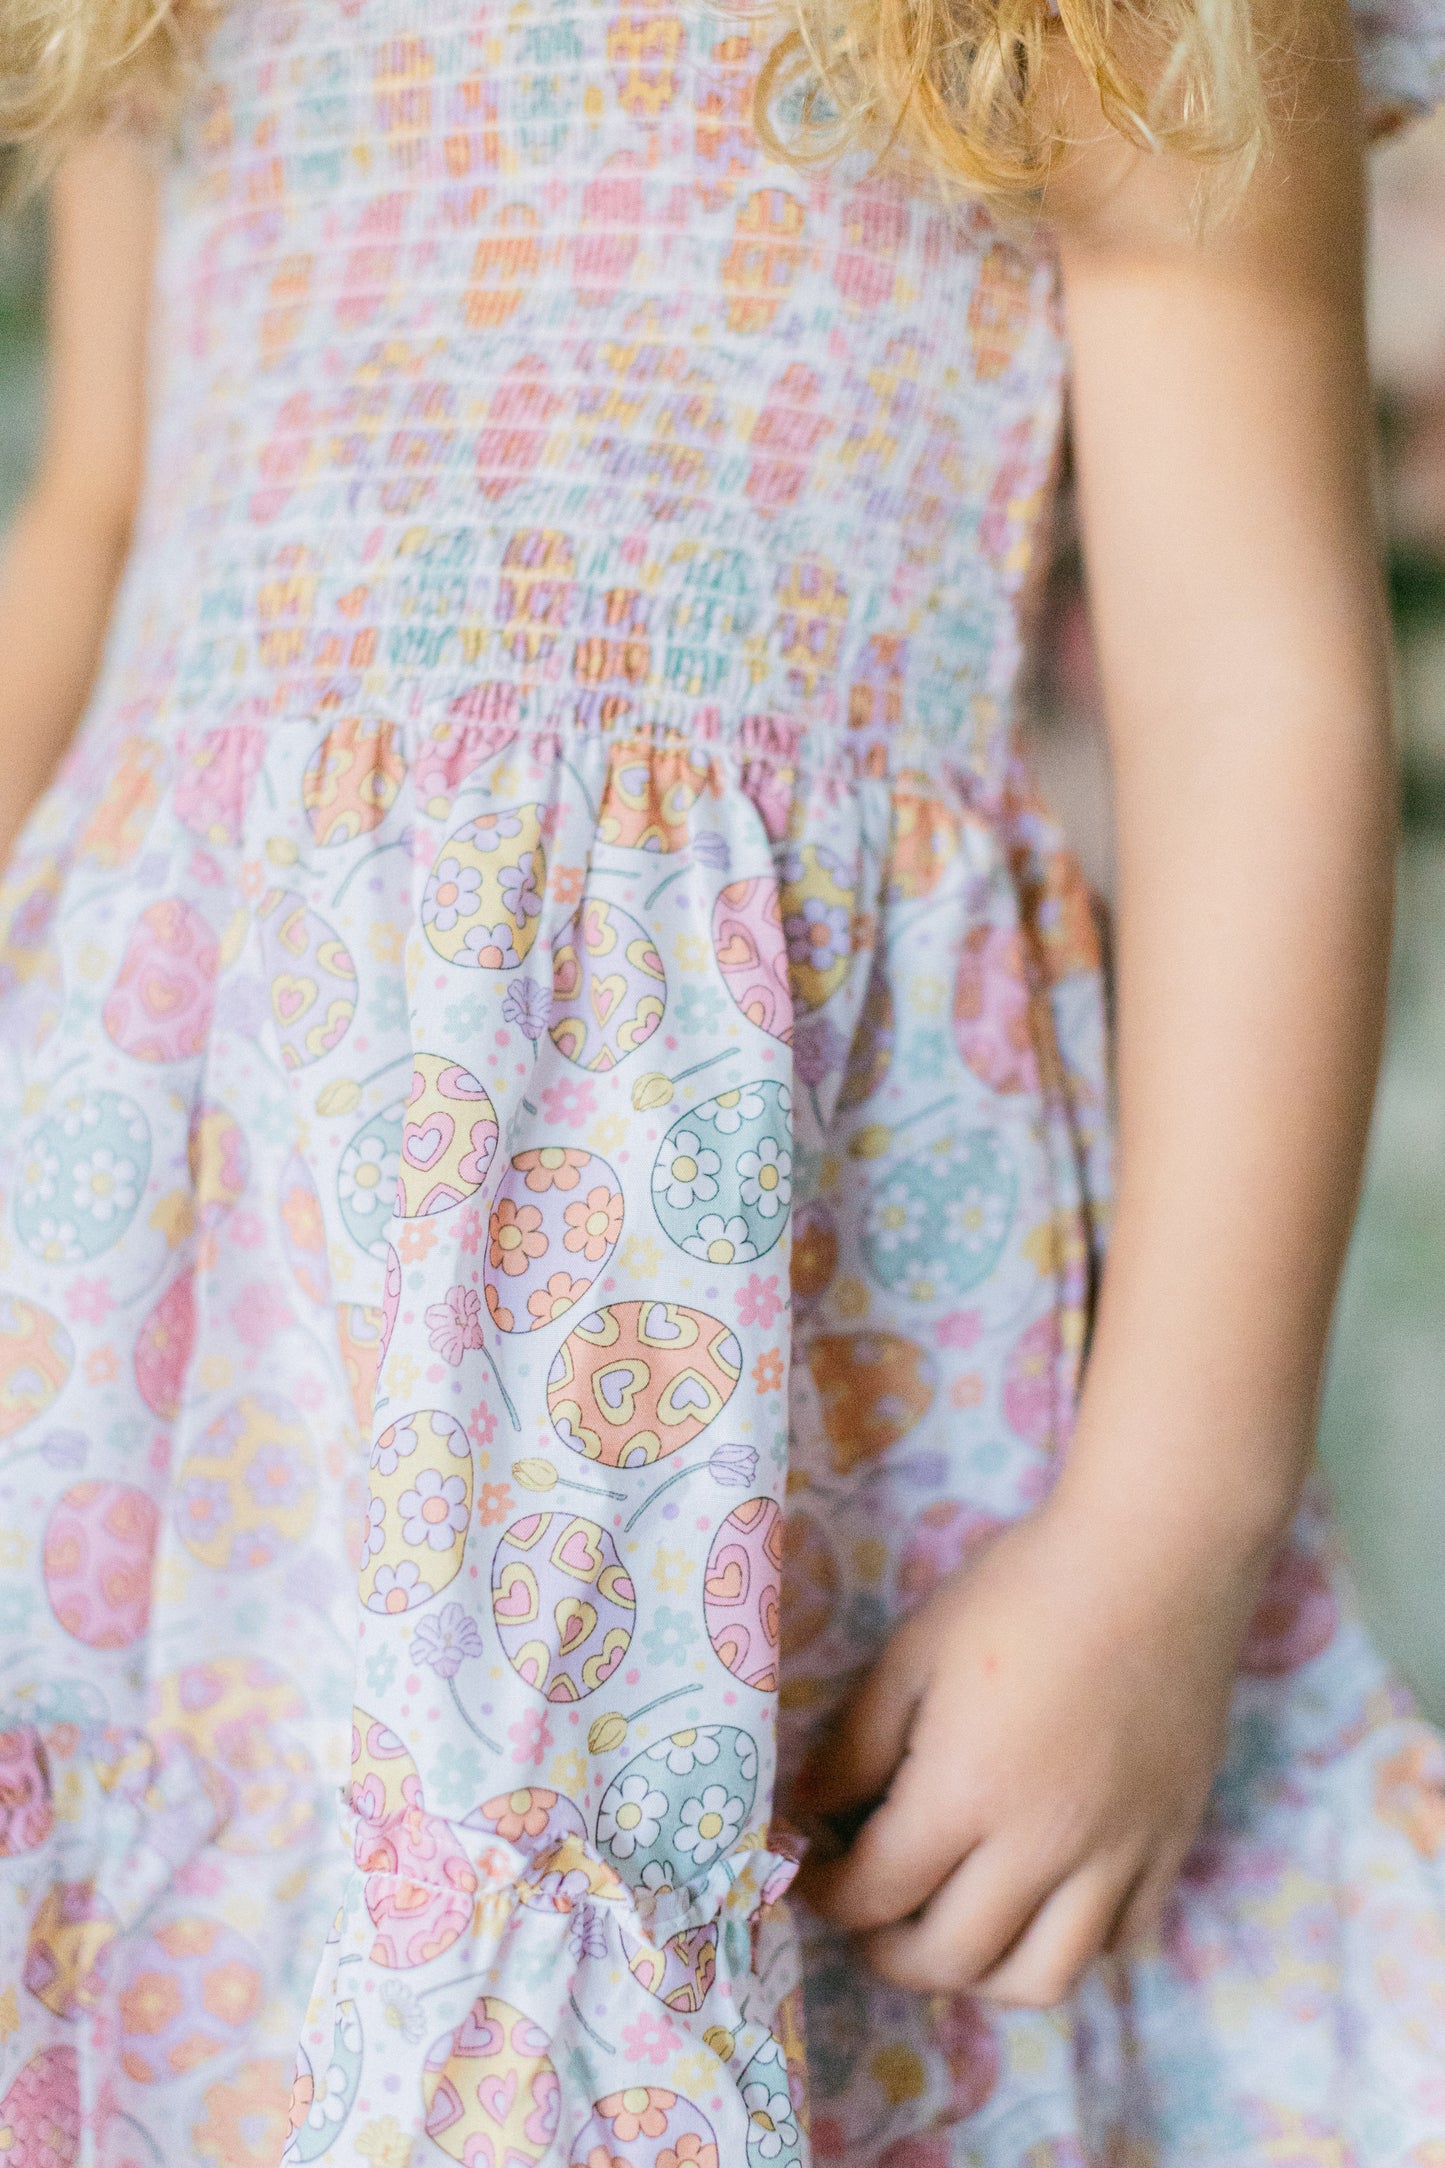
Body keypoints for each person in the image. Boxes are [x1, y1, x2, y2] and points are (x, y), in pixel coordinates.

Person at [2, 0, 1445, 2159]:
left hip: (739, 1331)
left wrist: (1172, 1523)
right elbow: (98, 518)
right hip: (173, 1289)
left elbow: (1254, 688)